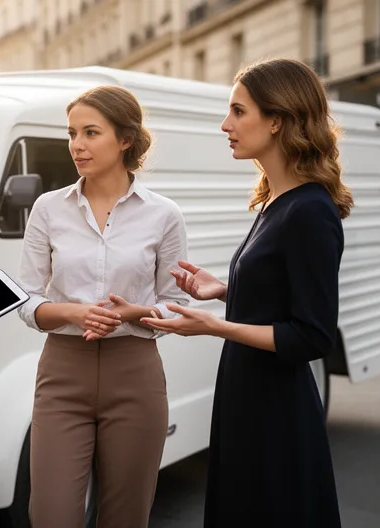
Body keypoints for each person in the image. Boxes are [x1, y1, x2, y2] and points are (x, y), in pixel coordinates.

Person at [140, 58, 350, 527]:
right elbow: (278, 294)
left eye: (238, 111)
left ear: (277, 120)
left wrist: (215, 326)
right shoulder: (275, 202)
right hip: (247, 399)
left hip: (277, 414)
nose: (226, 125)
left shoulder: (310, 210)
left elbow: (312, 336)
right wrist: (224, 290)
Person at [16, 85, 189, 528]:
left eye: (91, 133)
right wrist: (74, 312)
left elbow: (176, 306)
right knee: (51, 515)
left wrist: (137, 313)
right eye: (72, 133)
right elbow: (26, 300)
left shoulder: (163, 214)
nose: (77, 145)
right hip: (62, 372)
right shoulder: (48, 208)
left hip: (136, 374)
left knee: (126, 518)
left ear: (125, 139)